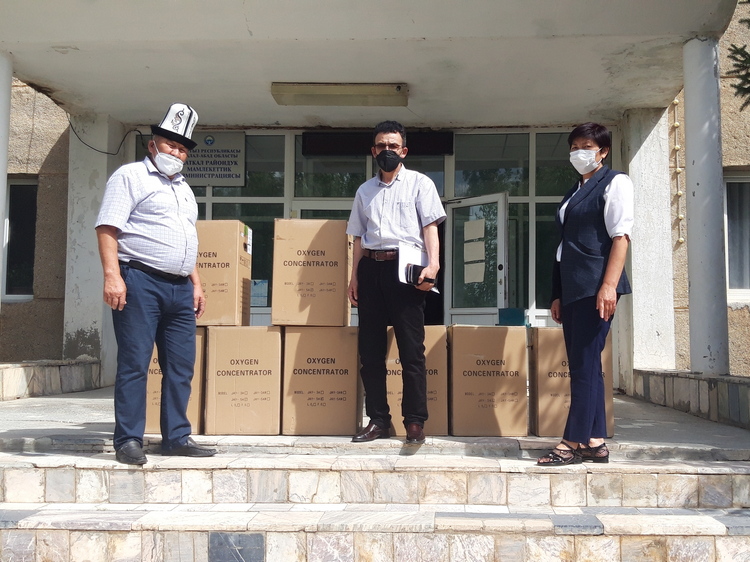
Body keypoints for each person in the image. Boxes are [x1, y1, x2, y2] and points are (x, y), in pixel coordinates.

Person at [95, 103, 216, 465]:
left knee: (181, 366)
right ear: (152, 145)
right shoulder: (130, 176)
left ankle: (176, 437)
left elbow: (185, 238)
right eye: (170, 145)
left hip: (180, 288)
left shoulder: (184, 189)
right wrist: (112, 276)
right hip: (139, 281)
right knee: (135, 363)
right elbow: (107, 227)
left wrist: (196, 282)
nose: (176, 153)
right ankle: (128, 440)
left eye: (182, 149)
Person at [537, 122, 633, 466]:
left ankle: (571, 442)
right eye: (574, 146)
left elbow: (621, 237)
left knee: (582, 366)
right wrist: (557, 293)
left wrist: (608, 286)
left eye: (587, 146)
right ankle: (594, 441)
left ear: (603, 151)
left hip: (596, 287)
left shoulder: (615, 182)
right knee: (586, 364)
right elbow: (564, 247)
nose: (579, 152)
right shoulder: (575, 190)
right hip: (573, 288)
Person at [346, 120, 446, 445]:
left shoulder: (420, 184)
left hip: (406, 271)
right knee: (370, 352)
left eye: (393, 146)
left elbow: (430, 227)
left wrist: (434, 265)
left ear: (403, 151)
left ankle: (415, 422)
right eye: (381, 146)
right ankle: (378, 420)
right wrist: (354, 277)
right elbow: (358, 237)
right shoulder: (364, 191)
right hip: (371, 269)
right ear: (373, 150)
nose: (386, 151)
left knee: (411, 351)